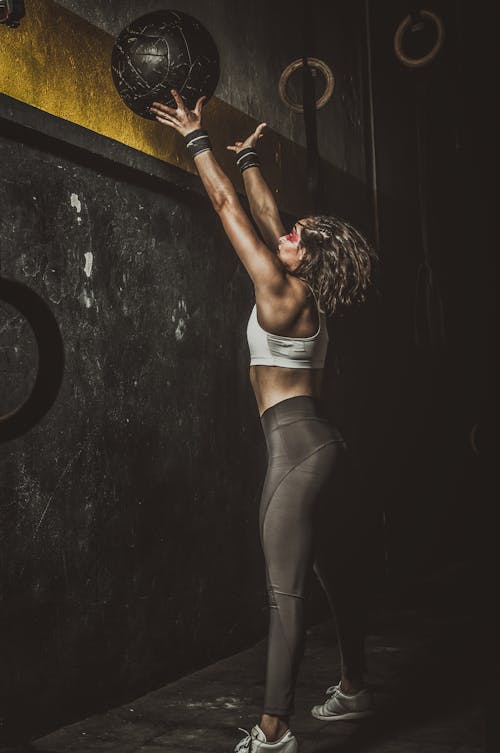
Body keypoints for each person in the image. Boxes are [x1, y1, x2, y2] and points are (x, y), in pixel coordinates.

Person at [150, 90, 378, 753]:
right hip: (327, 444)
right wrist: (249, 158)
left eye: (299, 240)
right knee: (336, 572)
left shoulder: (278, 291)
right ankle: (355, 685)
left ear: (305, 260)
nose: (288, 234)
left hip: (296, 453)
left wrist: (197, 141)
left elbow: (231, 214)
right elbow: (270, 215)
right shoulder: (308, 292)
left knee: (286, 593)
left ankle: (274, 730)